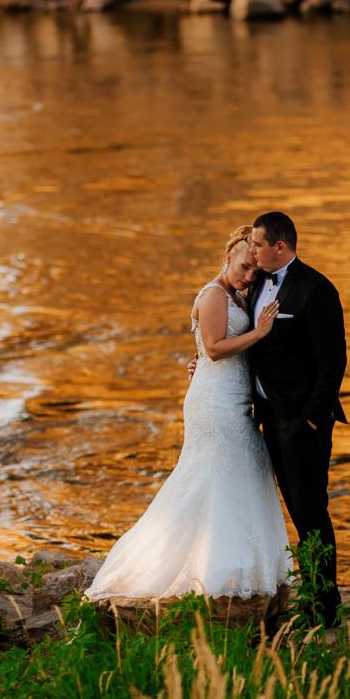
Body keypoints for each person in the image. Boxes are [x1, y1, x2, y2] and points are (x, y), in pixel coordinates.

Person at [84, 226, 292, 602]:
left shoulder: (235, 297)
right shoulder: (213, 294)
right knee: (215, 474)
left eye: (255, 273)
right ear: (228, 256)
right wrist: (260, 333)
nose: (248, 277)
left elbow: (210, 351)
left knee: (238, 472)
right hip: (214, 403)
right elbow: (213, 349)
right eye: (244, 267)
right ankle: (198, 570)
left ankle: (233, 567)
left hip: (230, 396)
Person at [191, 210, 350, 627]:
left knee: (311, 511)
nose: (253, 254)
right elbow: (228, 337)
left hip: (302, 423)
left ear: (281, 247)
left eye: (259, 246)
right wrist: (204, 363)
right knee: (290, 509)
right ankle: (307, 595)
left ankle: (324, 608)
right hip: (263, 417)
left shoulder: (316, 290)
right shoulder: (256, 281)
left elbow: (332, 361)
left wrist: (313, 419)